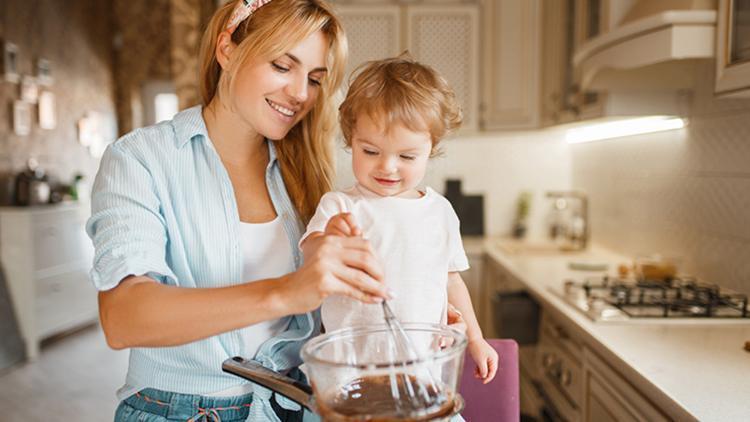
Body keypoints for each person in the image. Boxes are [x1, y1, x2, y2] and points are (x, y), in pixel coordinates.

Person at [85, 1, 390, 421]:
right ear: (227, 49)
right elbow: (124, 318)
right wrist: (287, 290)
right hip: (180, 410)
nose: (301, 94)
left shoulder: (304, 171)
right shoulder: (141, 158)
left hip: (292, 405)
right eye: (283, 66)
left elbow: (317, 319)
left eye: (315, 79)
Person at [299, 55, 499, 385]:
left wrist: (476, 339)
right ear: (351, 140)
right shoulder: (340, 205)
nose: (388, 167)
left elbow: (451, 281)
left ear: (431, 148)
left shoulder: (440, 212)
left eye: (406, 156)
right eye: (371, 152)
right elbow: (310, 256)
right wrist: (329, 241)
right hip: (349, 374)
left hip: (422, 371)